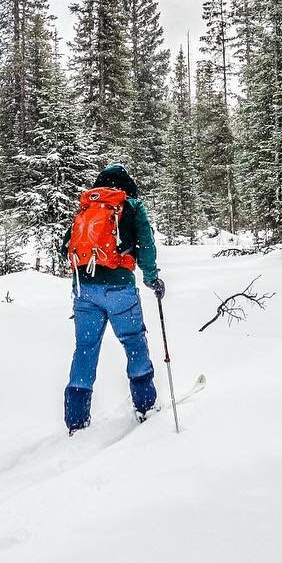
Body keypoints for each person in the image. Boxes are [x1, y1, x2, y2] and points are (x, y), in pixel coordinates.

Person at [61, 163, 166, 434]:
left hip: (84, 289)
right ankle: (145, 406)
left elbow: (66, 247)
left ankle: (76, 421)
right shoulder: (131, 206)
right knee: (133, 341)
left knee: (85, 348)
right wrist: (152, 277)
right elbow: (146, 246)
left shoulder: (87, 206)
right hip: (120, 289)